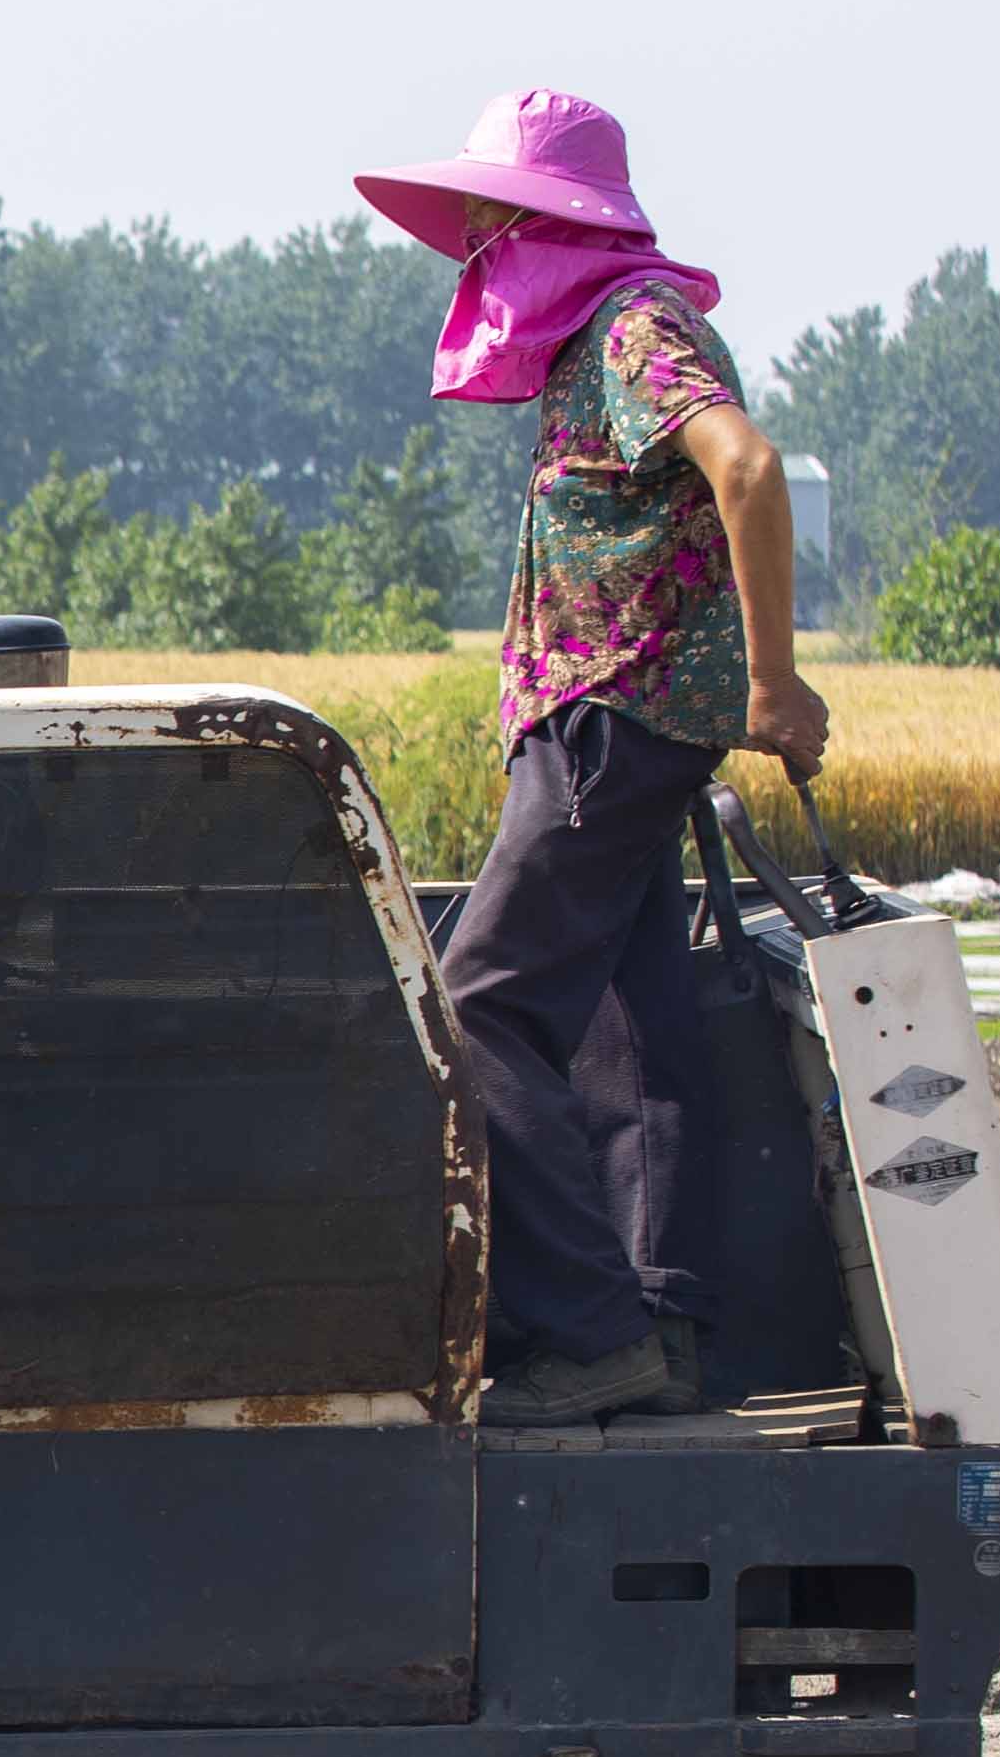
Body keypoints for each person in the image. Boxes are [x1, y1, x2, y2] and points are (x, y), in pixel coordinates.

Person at [356, 89, 832, 1427]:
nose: (481, 245)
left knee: (476, 1013)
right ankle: (662, 1329)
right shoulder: (613, 333)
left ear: (549, 221)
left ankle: (585, 1329)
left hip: (610, 720)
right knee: (632, 1032)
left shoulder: (630, 326)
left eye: (497, 220)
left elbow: (744, 466)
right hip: (627, 729)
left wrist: (775, 680)